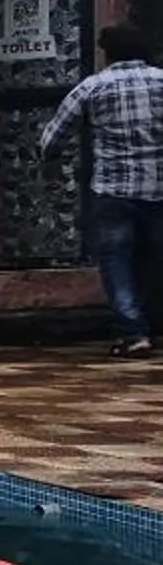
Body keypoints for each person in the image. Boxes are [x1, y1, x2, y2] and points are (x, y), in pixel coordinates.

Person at [41, 24, 163, 357]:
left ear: (107, 52)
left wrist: (50, 163)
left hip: (113, 189)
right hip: (159, 188)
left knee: (116, 259)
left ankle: (133, 332)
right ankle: (151, 321)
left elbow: (53, 136)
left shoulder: (93, 87)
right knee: (155, 257)